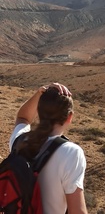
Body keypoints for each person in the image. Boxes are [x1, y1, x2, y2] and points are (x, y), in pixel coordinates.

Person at [9, 83, 88, 214]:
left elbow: (23, 118)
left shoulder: (20, 141)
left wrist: (39, 93)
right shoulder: (71, 152)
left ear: (38, 112)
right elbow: (77, 211)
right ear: (70, 117)